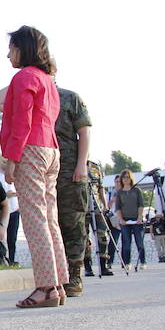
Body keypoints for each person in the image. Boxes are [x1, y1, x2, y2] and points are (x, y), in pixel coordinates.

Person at [0, 25, 67, 308]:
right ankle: (58, 284)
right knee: (50, 218)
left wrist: (11, 159)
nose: (8, 55)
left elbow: (22, 121)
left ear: (23, 49)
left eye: (11, 48)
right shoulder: (48, 80)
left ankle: (45, 287)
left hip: (31, 149)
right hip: (51, 149)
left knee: (35, 219)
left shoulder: (24, 76)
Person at [53, 87, 92, 297]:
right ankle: (57, 276)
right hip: (44, 170)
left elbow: (84, 131)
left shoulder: (69, 98)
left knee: (73, 222)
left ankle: (75, 275)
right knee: (52, 224)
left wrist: (81, 164)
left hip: (70, 170)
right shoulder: (32, 97)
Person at [0, 157, 21, 264]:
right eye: (3, 161)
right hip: (0, 212)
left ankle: (11, 260)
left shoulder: (16, 177)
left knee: (12, 238)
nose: (5, 164)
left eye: (7, 161)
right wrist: (5, 195)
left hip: (14, 211)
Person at [83, 160, 112, 277]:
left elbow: (100, 188)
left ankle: (103, 265)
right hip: (82, 207)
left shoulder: (95, 167)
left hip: (96, 207)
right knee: (84, 238)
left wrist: (105, 206)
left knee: (103, 236)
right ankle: (87, 266)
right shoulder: (74, 164)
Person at [113, 169, 146, 270]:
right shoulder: (120, 193)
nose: (126, 179)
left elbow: (141, 205)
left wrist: (140, 217)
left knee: (139, 241)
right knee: (126, 242)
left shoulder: (136, 190)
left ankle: (143, 262)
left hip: (136, 220)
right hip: (125, 221)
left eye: (128, 177)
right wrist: (121, 219)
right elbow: (118, 208)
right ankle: (127, 262)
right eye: (124, 177)